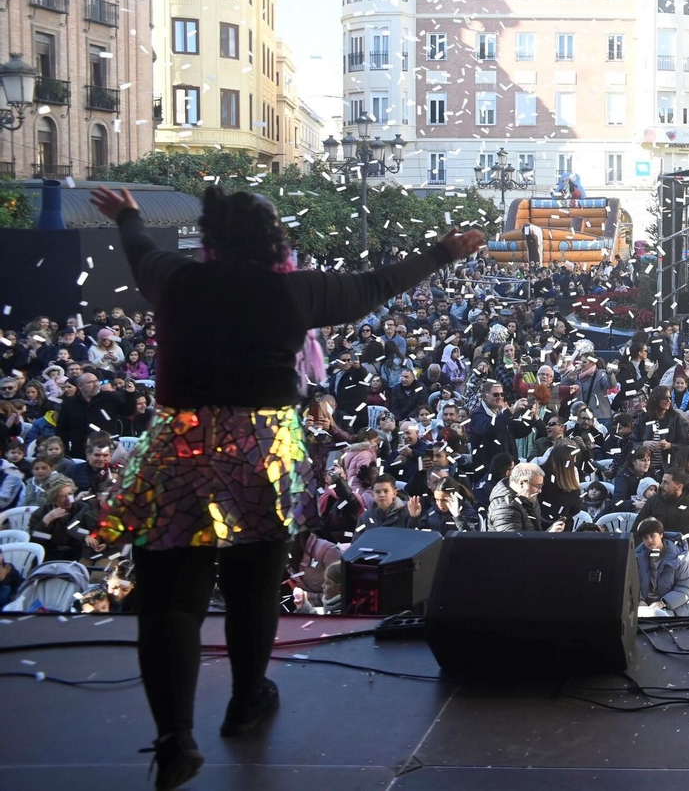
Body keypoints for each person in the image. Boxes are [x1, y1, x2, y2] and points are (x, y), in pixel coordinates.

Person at [88, 183, 485, 790]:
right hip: (259, 455)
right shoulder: (295, 291)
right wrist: (443, 252)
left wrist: (130, 215)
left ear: (210, 238)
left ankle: (174, 738)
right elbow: (376, 284)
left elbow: (140, 249)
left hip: (180, 449)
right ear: (274, 238)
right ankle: (247, 700)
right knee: (252, 588)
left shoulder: (176, 280)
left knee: (171, 600)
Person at [635, 517, 689, 617]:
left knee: (661, 620)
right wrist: (639, 601)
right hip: (644, 604)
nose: (649, 540)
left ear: (661, 535)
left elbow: (685, 588)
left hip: (671, 604)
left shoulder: (680, 557)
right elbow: (631, 585)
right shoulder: (636, 556)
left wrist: (663, 603)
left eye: (652, 535)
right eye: (645, 538)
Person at [488, 462, 567, 533]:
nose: (540, 491)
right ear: (522, 483)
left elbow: (535, 521)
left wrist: (552, 525)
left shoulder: (528, 495)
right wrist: (549, 533)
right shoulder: (505, 508)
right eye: (538, 486)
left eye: (541, 485)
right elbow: (513, 544)